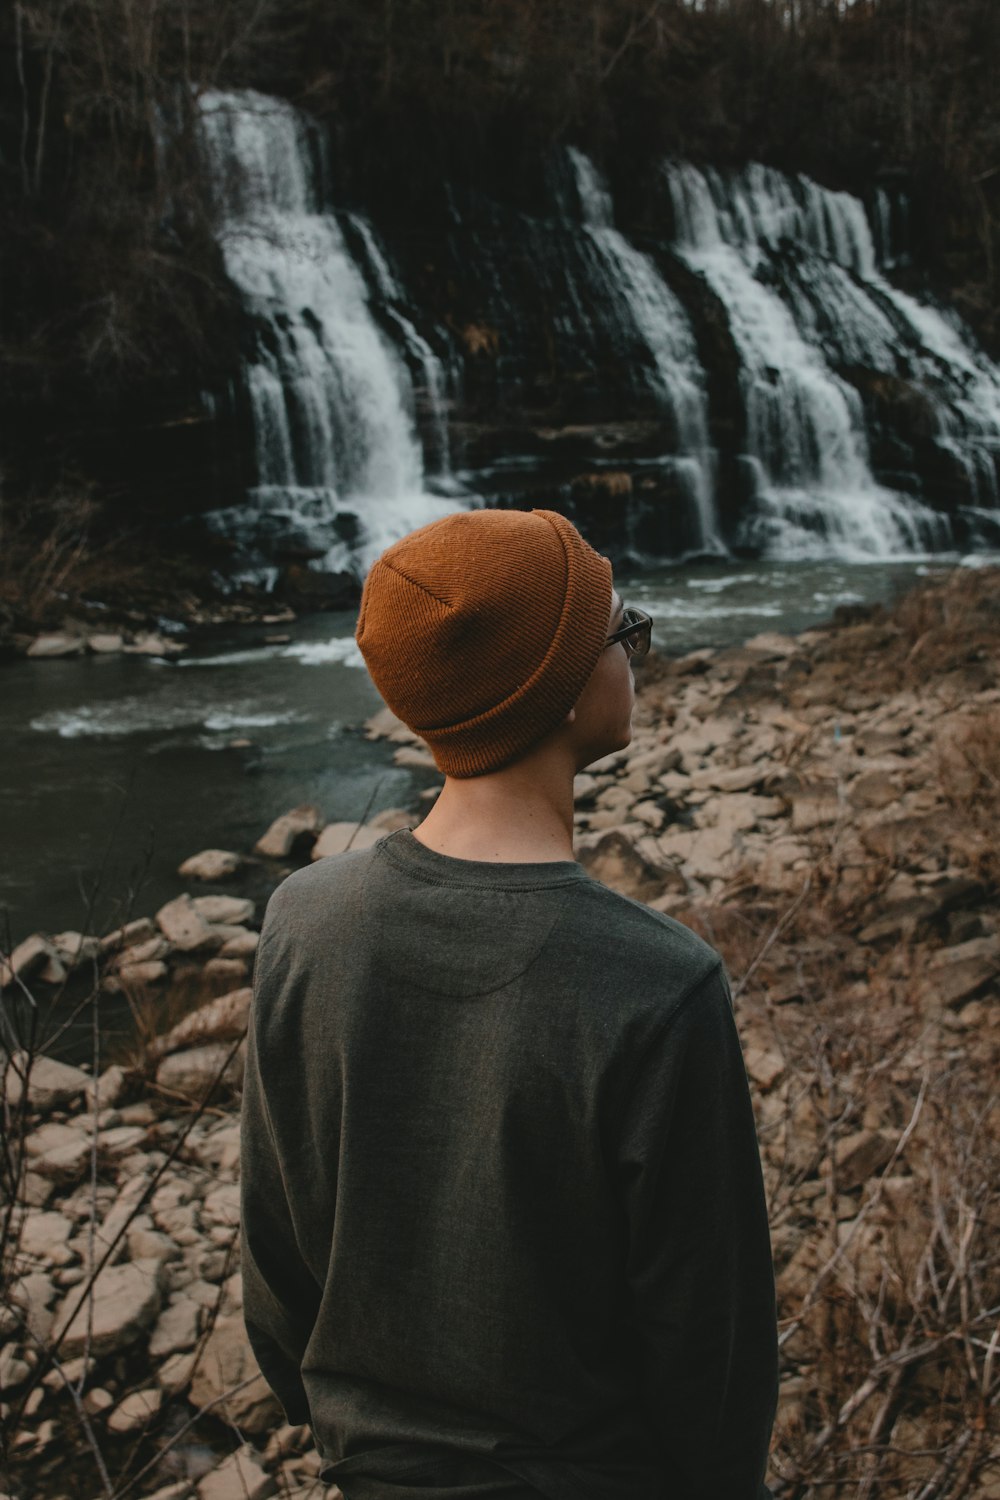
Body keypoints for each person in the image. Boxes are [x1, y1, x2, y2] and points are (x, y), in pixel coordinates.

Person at [240, 507, 778, 1500]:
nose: (638, 658)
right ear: (562, 690)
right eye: (626, 633)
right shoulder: (658, 983)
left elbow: (278, 1274)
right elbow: (713, 1363)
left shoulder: (302, 922)